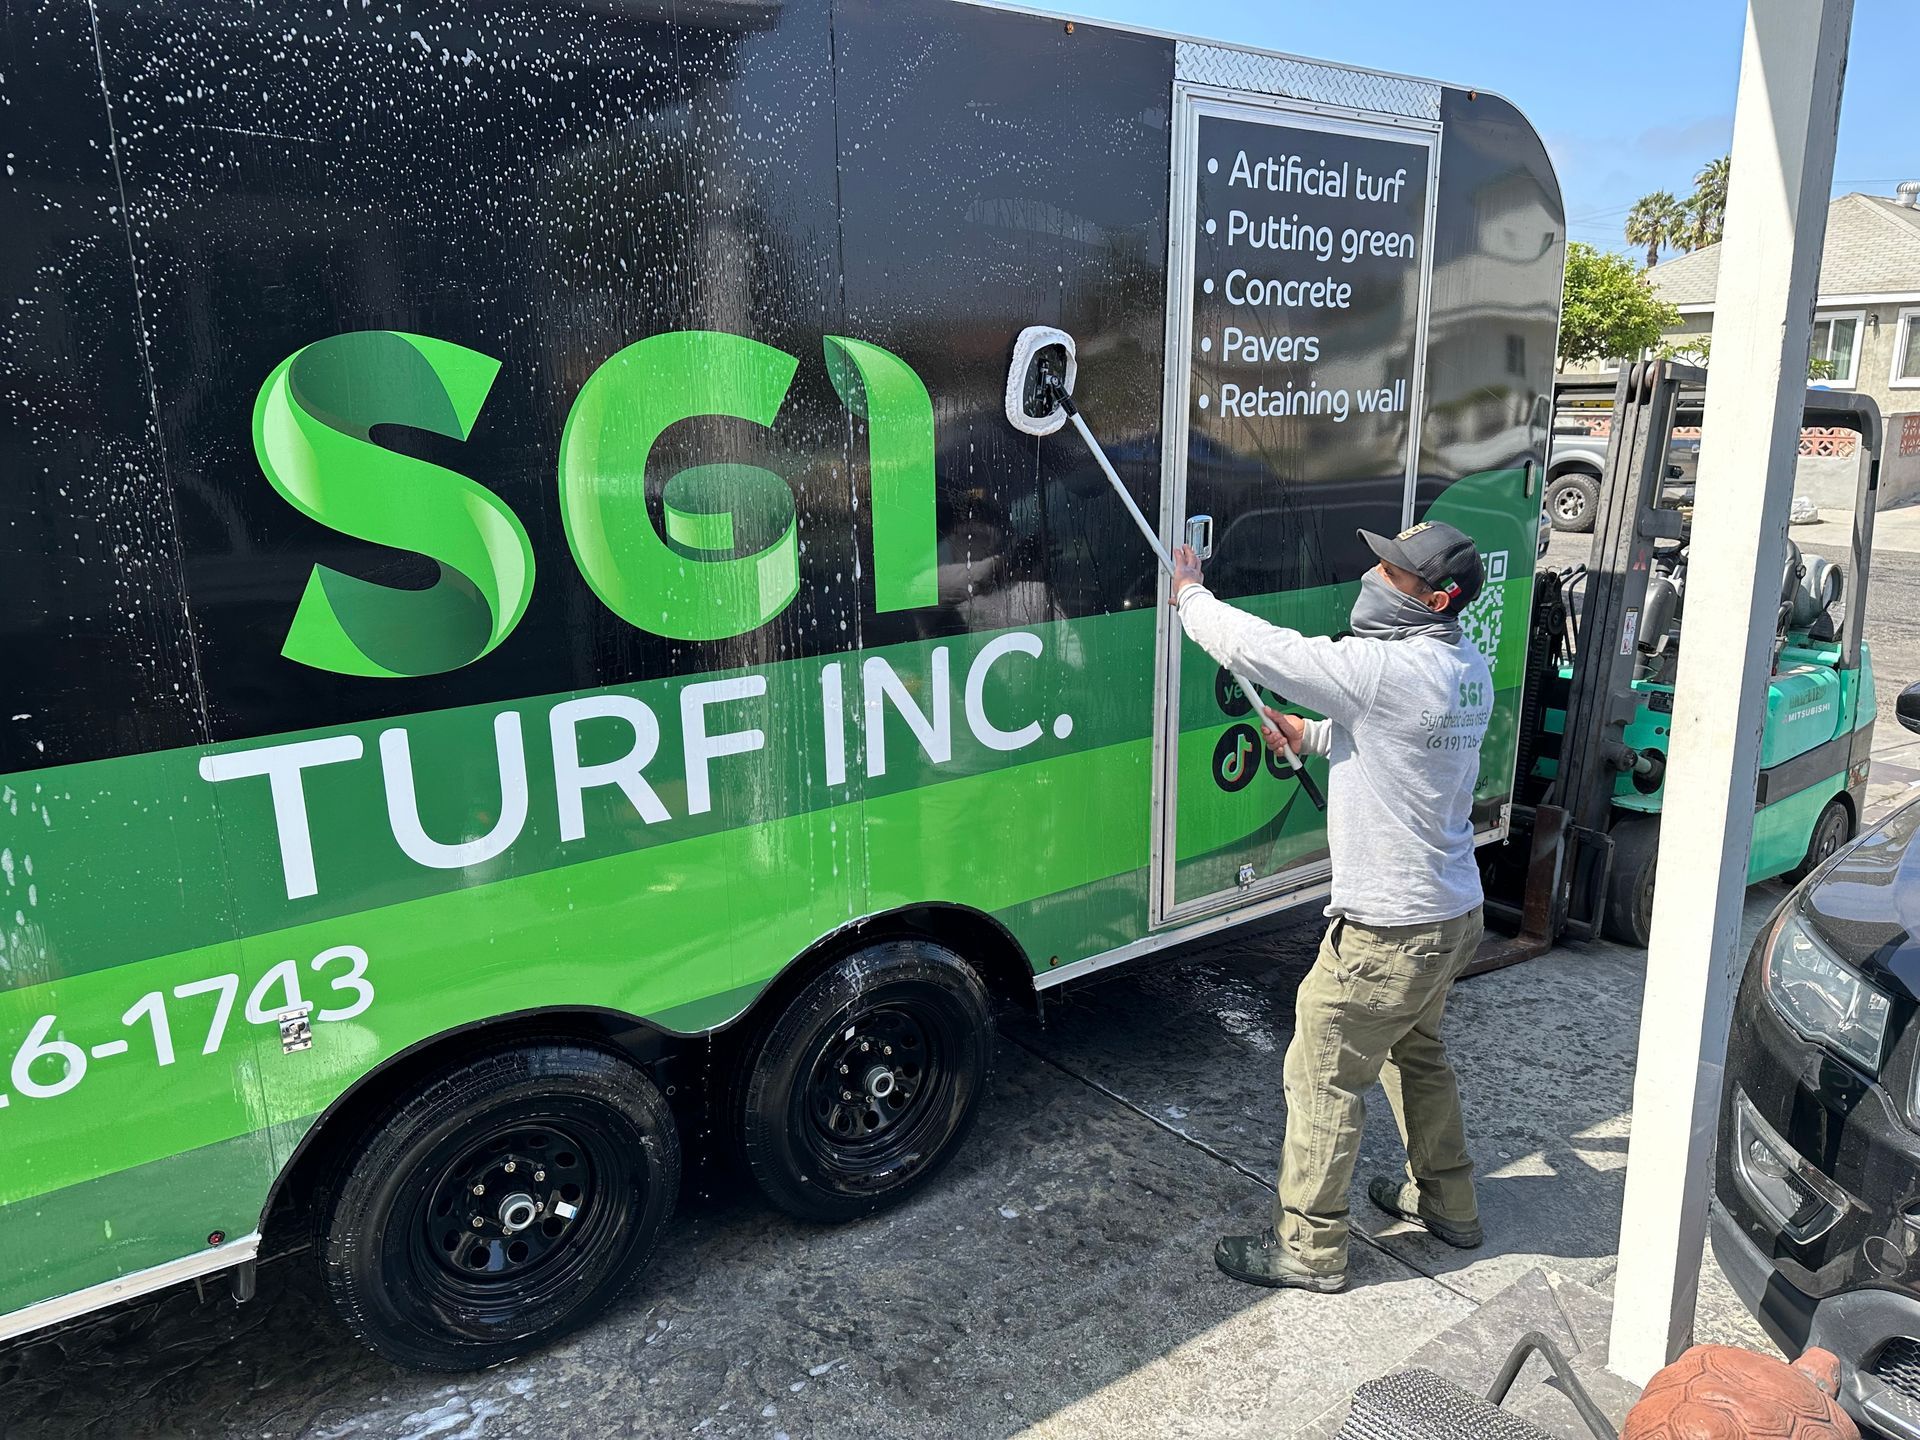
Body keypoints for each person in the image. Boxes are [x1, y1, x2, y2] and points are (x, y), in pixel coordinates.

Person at [1168, 520, 1494, 1293]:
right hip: (1452, 915)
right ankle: (1449, 1203)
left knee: (1321, 1077)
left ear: (1436, 597)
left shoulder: (1383, 669)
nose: (1376, 576)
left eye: (1395, 572)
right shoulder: (1462, 665)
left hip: (1388, 931)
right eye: (1379, 561)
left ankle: (1309, 1250)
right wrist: (1310, 736)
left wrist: (1189, 593)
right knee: (1418, 1054)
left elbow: (1264, 651)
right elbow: (1396, 738)